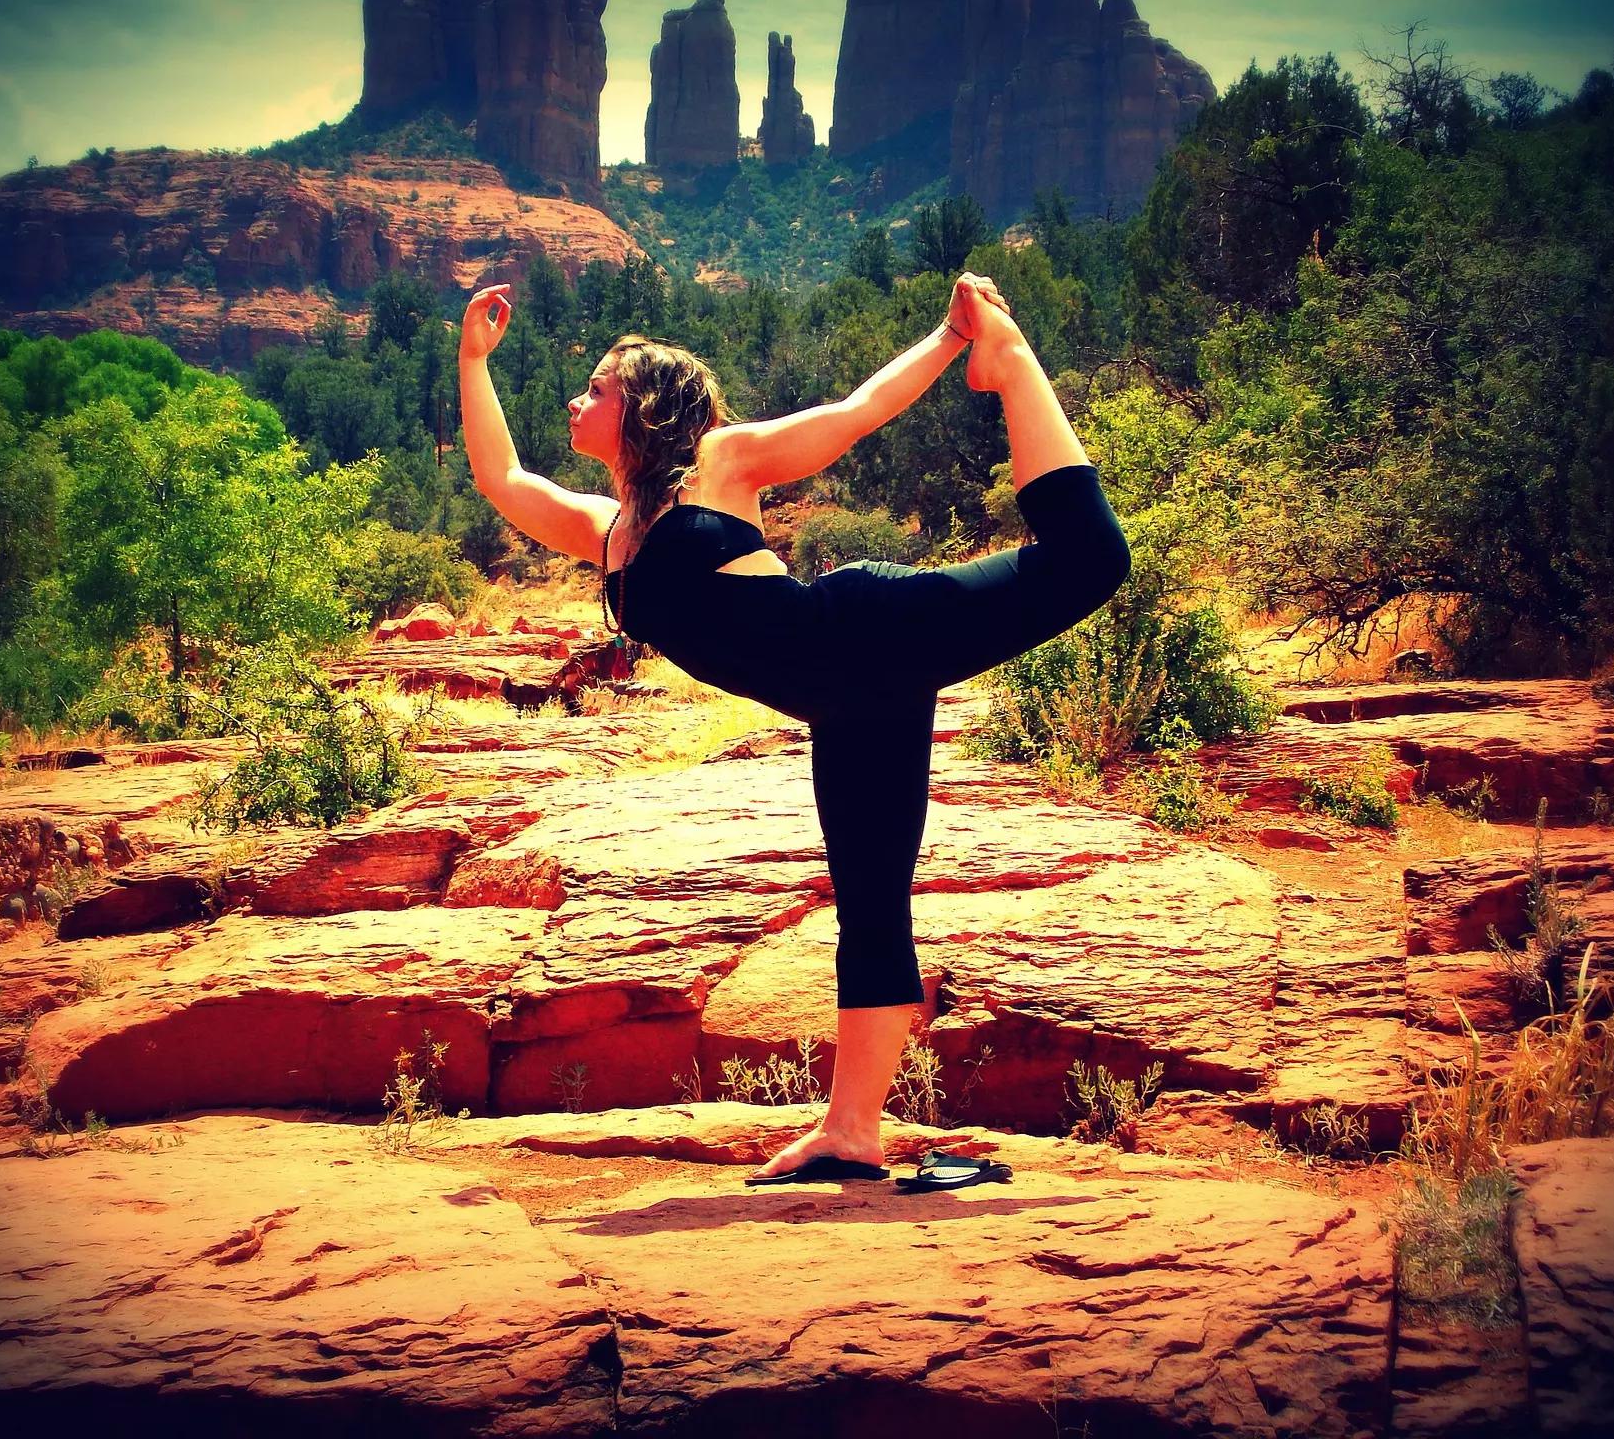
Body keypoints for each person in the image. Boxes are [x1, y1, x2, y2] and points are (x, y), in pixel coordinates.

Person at [457, 271, 1130, 1182]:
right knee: (871, 904)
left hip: (869, 630)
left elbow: (854, 414)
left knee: (1089, 560)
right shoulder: (609, 530)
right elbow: (501, 479)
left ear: (644, 405)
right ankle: (851, 1133)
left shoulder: (721, 466)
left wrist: (952, 338)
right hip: (849, 704)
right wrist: (473, 361)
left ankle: (1010, 360)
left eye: (597, 388)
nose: (577, 402)